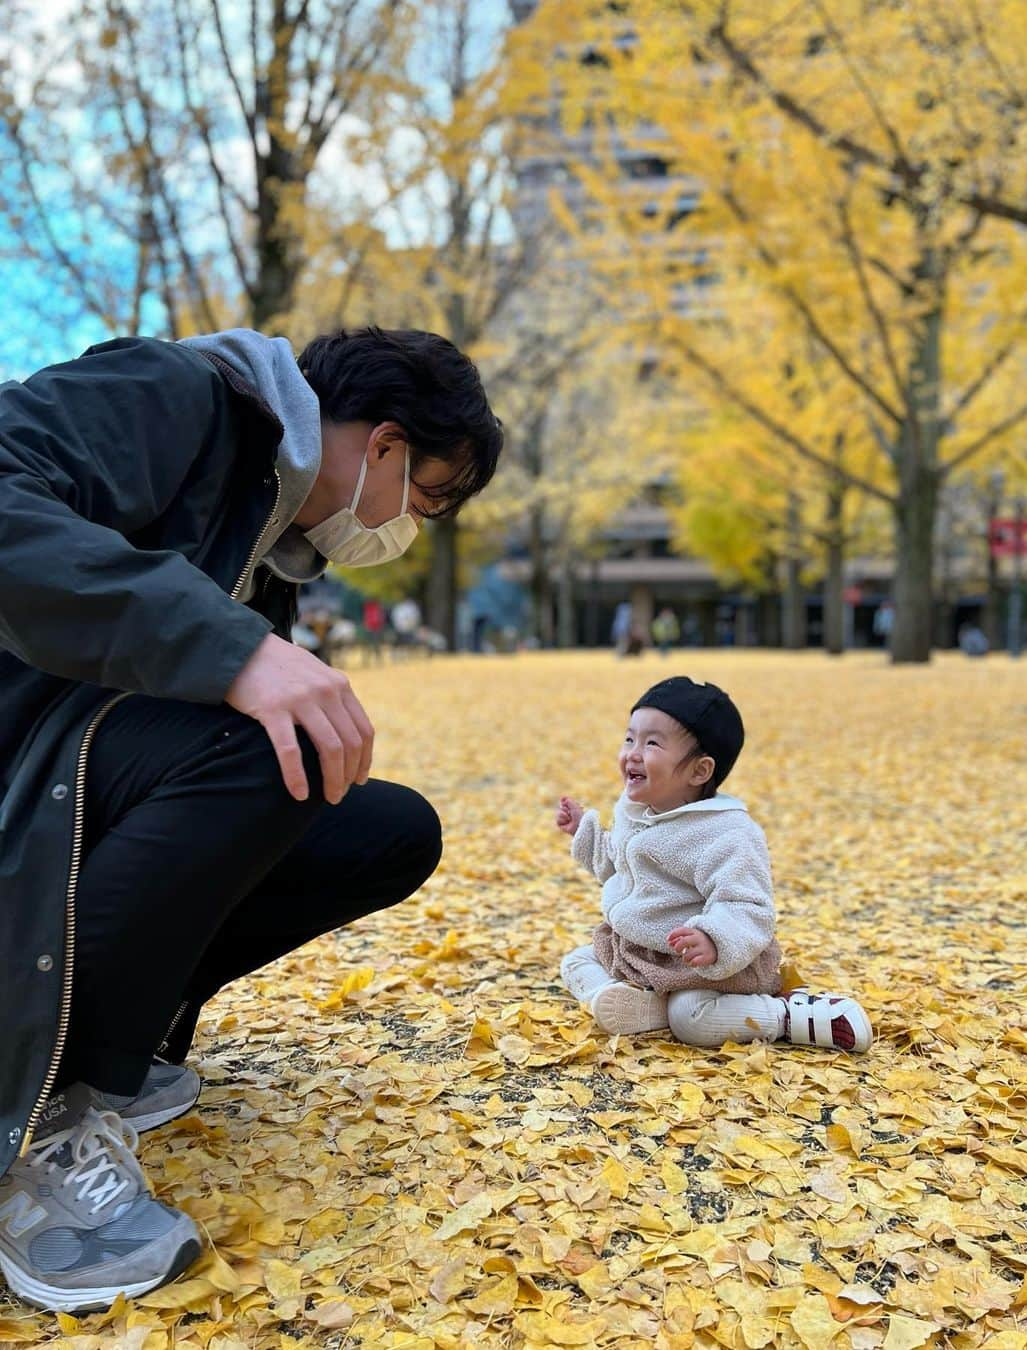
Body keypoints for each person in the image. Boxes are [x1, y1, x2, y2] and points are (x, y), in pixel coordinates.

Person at [0, 325, 502, 1311]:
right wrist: (231, 648)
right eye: (427, 499)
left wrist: (242, 647)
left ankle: (109, 1044)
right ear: (387, 448)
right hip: (20, 759)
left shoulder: (275, 544)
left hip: (72, 771)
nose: (410, 527)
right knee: (284, 749)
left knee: (384, 828)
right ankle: (36, 1131)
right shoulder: (174, 393)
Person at [556, 677, 872, 1052]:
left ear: (699, 771)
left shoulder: (726, 834)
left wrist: (713, 939)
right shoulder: (640, 813)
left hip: (707, 965)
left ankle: (790, 1015)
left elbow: (748, 906)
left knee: (692, 1019)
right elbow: (619, 867)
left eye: (652, 743)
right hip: (640, 953)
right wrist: (584, 834)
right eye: (629, 739)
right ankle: (633, 1003)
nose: (633, 753)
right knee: (575, 960)